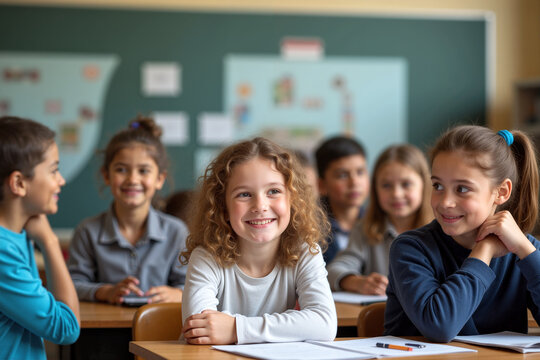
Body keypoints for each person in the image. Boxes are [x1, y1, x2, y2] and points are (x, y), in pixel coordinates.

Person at [385, 125, 540, 342]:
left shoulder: (524, 250)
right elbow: (440, 327)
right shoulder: (410, 249)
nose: (446, 202)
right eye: (437, 185)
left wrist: (526, 251)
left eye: (462, 189)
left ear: (501, 192)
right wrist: (484, 249)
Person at [181, 137, 337, 345]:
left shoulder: (305, 252)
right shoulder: (207, 257)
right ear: (223, 207)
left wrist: (236, 329)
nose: (260, 205)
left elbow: (324, 323)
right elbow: (200, 330)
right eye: (244, 194)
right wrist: (286, 329)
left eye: (274, 191)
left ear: (293, 200)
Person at [67, 115, 188, 305]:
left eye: (143, 171)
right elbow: (72, 285)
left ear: (160, 179)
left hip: (158, 330)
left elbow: (192, 285)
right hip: (104, 331)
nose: (132, 179)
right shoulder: (87, 231)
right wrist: (106, 291)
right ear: (106, 176)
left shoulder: (176, 231)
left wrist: (178, 294)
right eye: (121, 170)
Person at [0, 116, 80, 359]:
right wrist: (50, 242)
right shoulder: (3, 251)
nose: (61, 180)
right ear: (19, 183)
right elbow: (66, 328)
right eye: (54, 170)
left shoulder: (17, 235)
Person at [327, 144, 432, 295]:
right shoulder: (365, 229)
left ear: (424, 185)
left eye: (406, 184)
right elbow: (333, 270)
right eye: (386, 185)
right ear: (375, 189)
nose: (396, 194)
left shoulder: (442, 230)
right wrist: (358, 282)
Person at [315, 135, 369, 265]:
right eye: (342, 175)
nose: (354, 182)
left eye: (360, 172)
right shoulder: (311, 230)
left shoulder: (376, 222)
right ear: (322, 185)